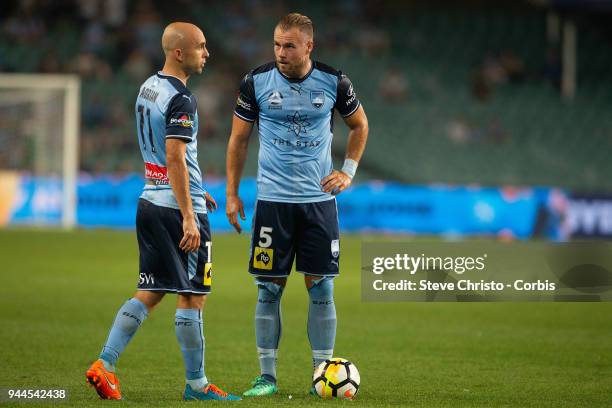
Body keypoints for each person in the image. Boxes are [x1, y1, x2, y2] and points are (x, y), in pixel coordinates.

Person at [85, 22, 240, 401]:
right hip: (175, 211)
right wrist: (190, 212)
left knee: (150, 291)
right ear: (179, 52)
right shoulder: (181, 99)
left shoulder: (148, 87)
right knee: (193, 295)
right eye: (201, 47)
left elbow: (161, 159)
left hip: (150, 201)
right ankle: (197, 385)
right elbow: (174, 156)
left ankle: (104, 364)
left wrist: (196, 191)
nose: (207, 53)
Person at [225, 13, 369, 397]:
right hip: (273, 201)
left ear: (309, 46)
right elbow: (238, 140)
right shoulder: (255, 82)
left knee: (320, 287)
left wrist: (348, 172)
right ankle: (266, 377)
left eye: (289, 45)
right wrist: (232, 192)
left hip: (319, 202)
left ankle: (321, 373)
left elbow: (360, 126)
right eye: (276, 44)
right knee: (268, 290)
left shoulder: (334, 81)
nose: (281, 52)